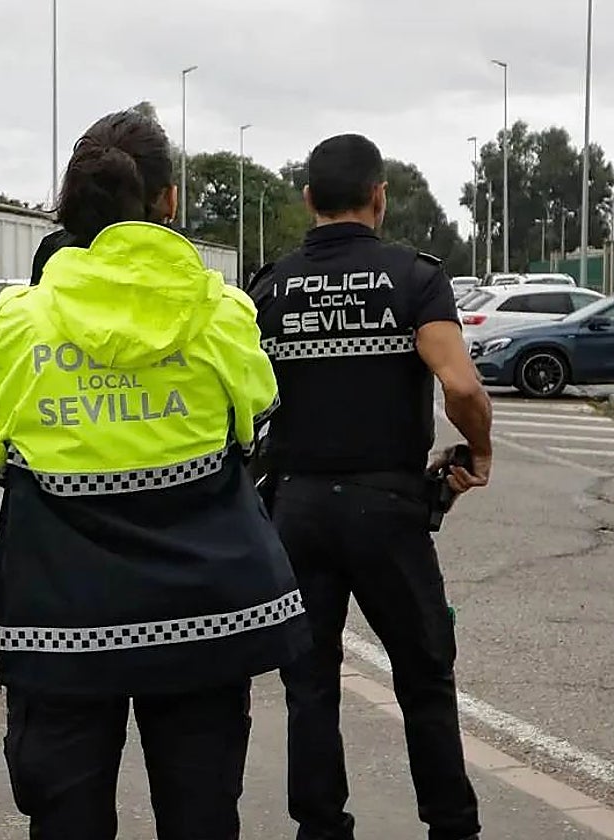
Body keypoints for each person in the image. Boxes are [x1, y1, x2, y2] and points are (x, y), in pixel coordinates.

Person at [0, 109, 309, 840]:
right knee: (200, 818)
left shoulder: (14, 320)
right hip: (204, 612)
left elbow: (11, 446)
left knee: (64, 821)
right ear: (170, 201)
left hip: (58, 617)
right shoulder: (223, 312)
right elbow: (254, 425)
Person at [250, 134, 492, 840]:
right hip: (388, 509)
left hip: (294, 507)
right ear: (379, 196)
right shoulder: (413, 278)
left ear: (307, 200)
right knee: (423, 674)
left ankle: (321, 829)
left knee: (310, 685)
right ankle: (452, 827)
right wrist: (478, 449)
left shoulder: (270, 285)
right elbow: (460, 384)